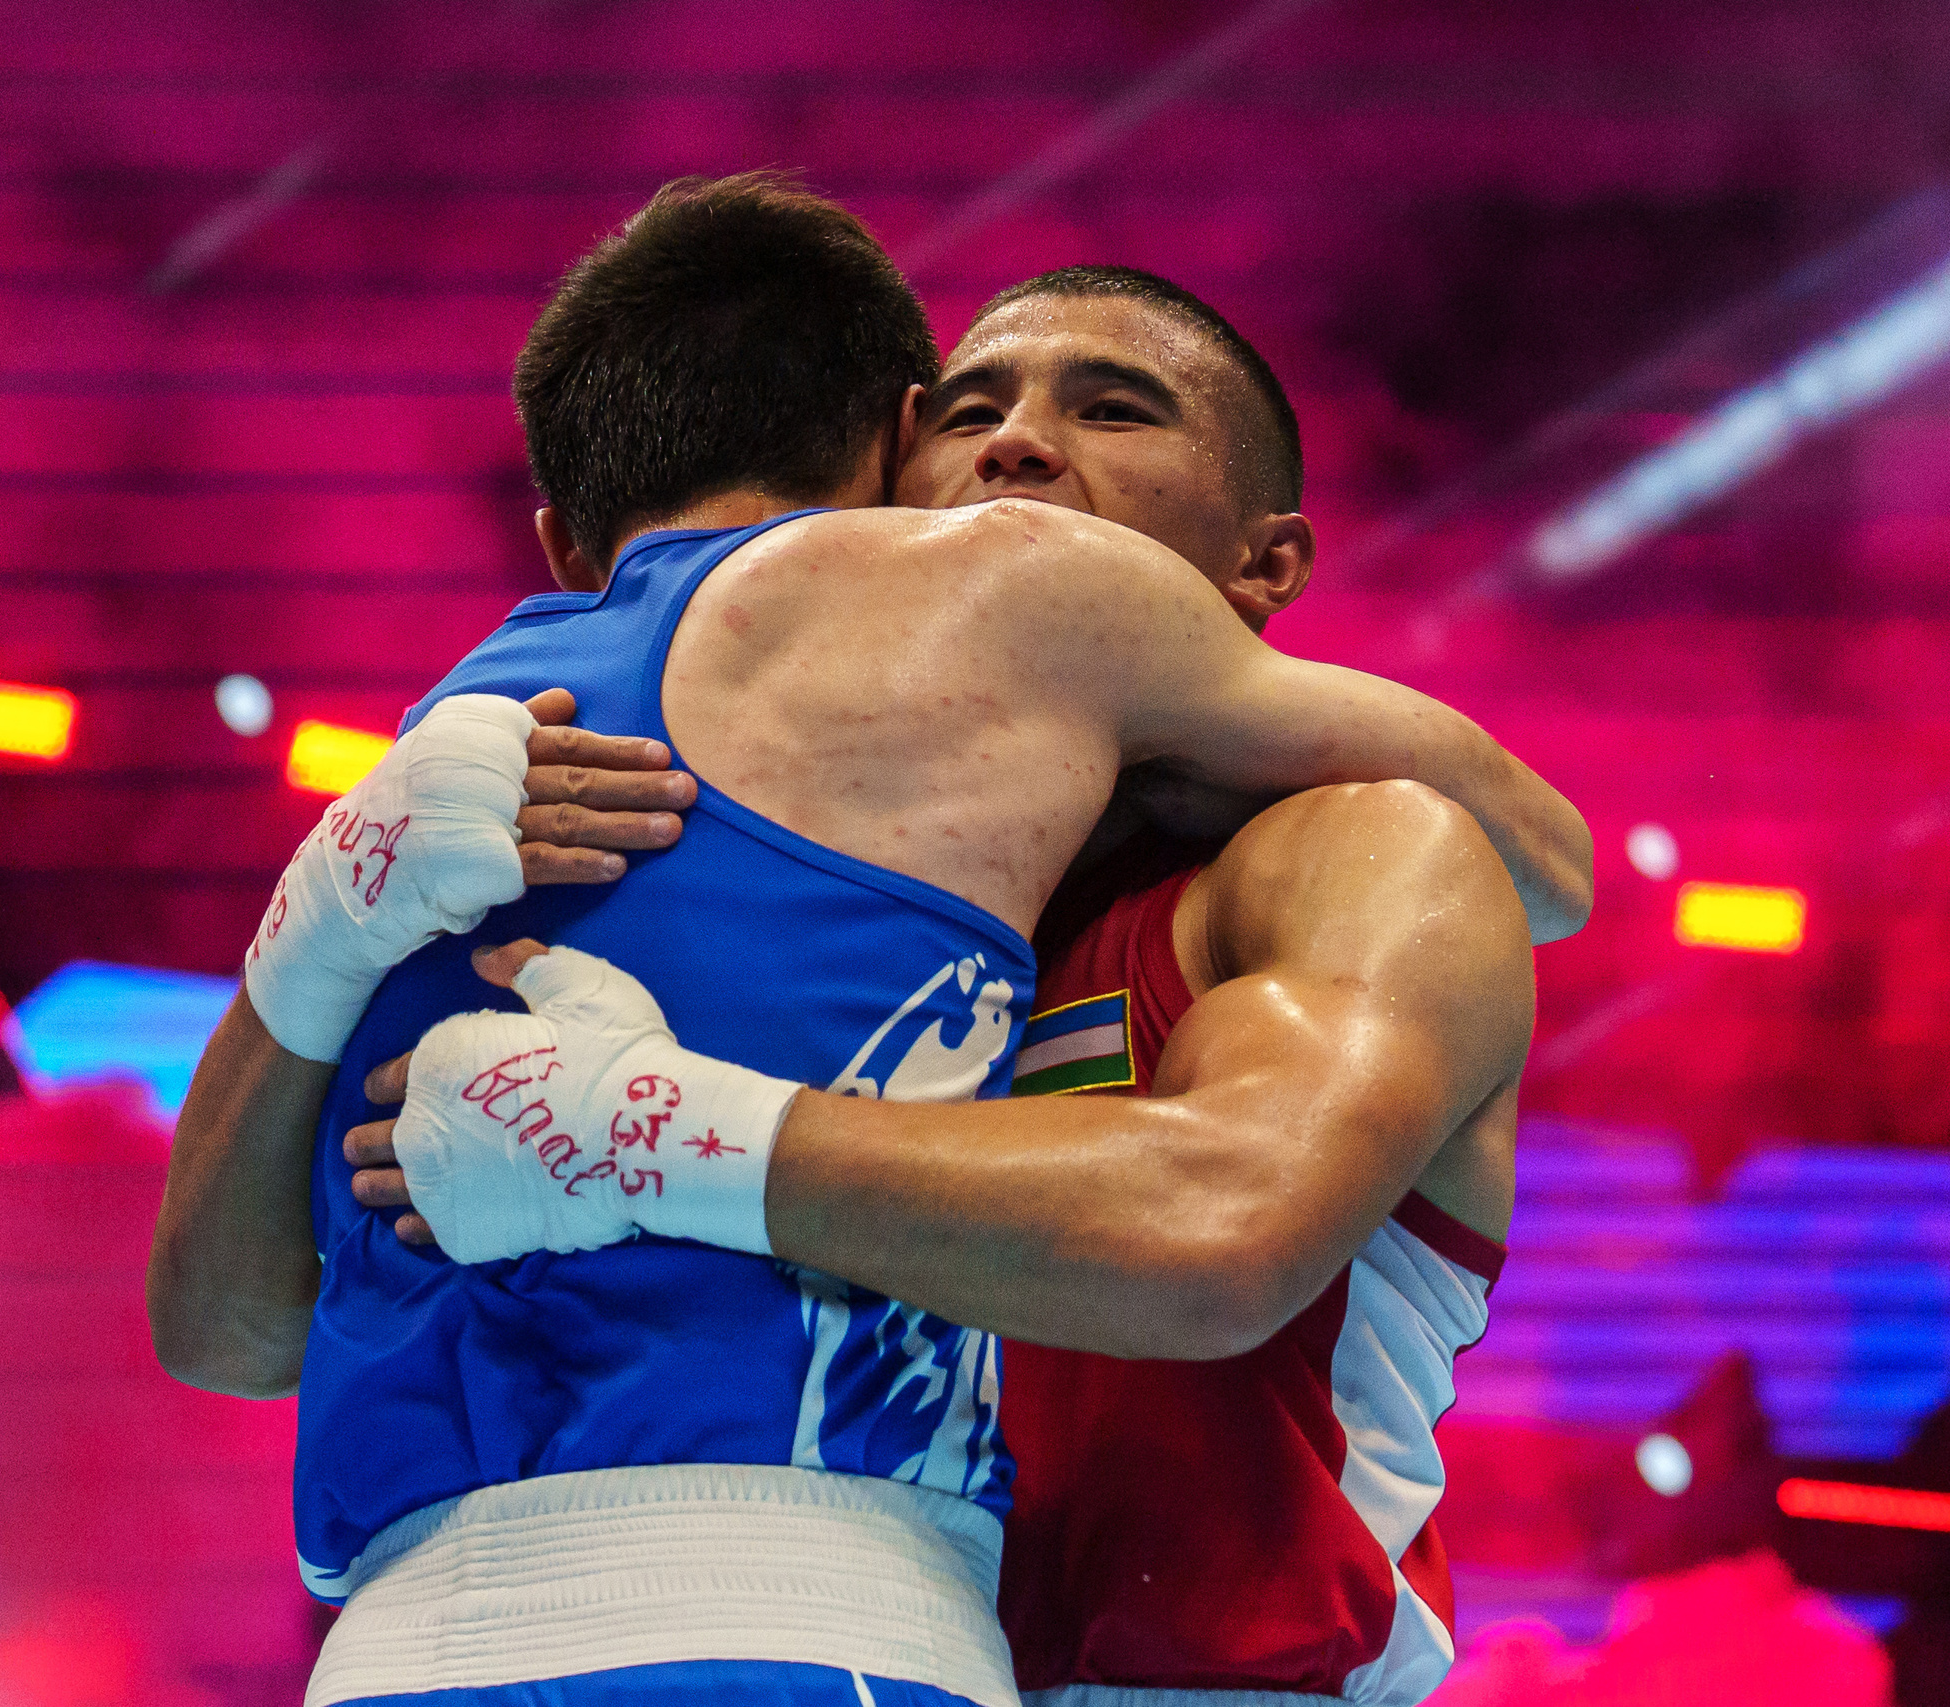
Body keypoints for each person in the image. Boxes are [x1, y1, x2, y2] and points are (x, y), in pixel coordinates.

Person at [149, 177, 1588, 1707]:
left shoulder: (1369, 853)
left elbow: (1228, 1227)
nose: (1018, 446)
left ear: (1266, 565)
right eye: (968, 410)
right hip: (872, 1638)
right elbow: (234, 1329)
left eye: (1114, 409)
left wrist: (644, 1129)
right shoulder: (845, 902)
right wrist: (316, 919)